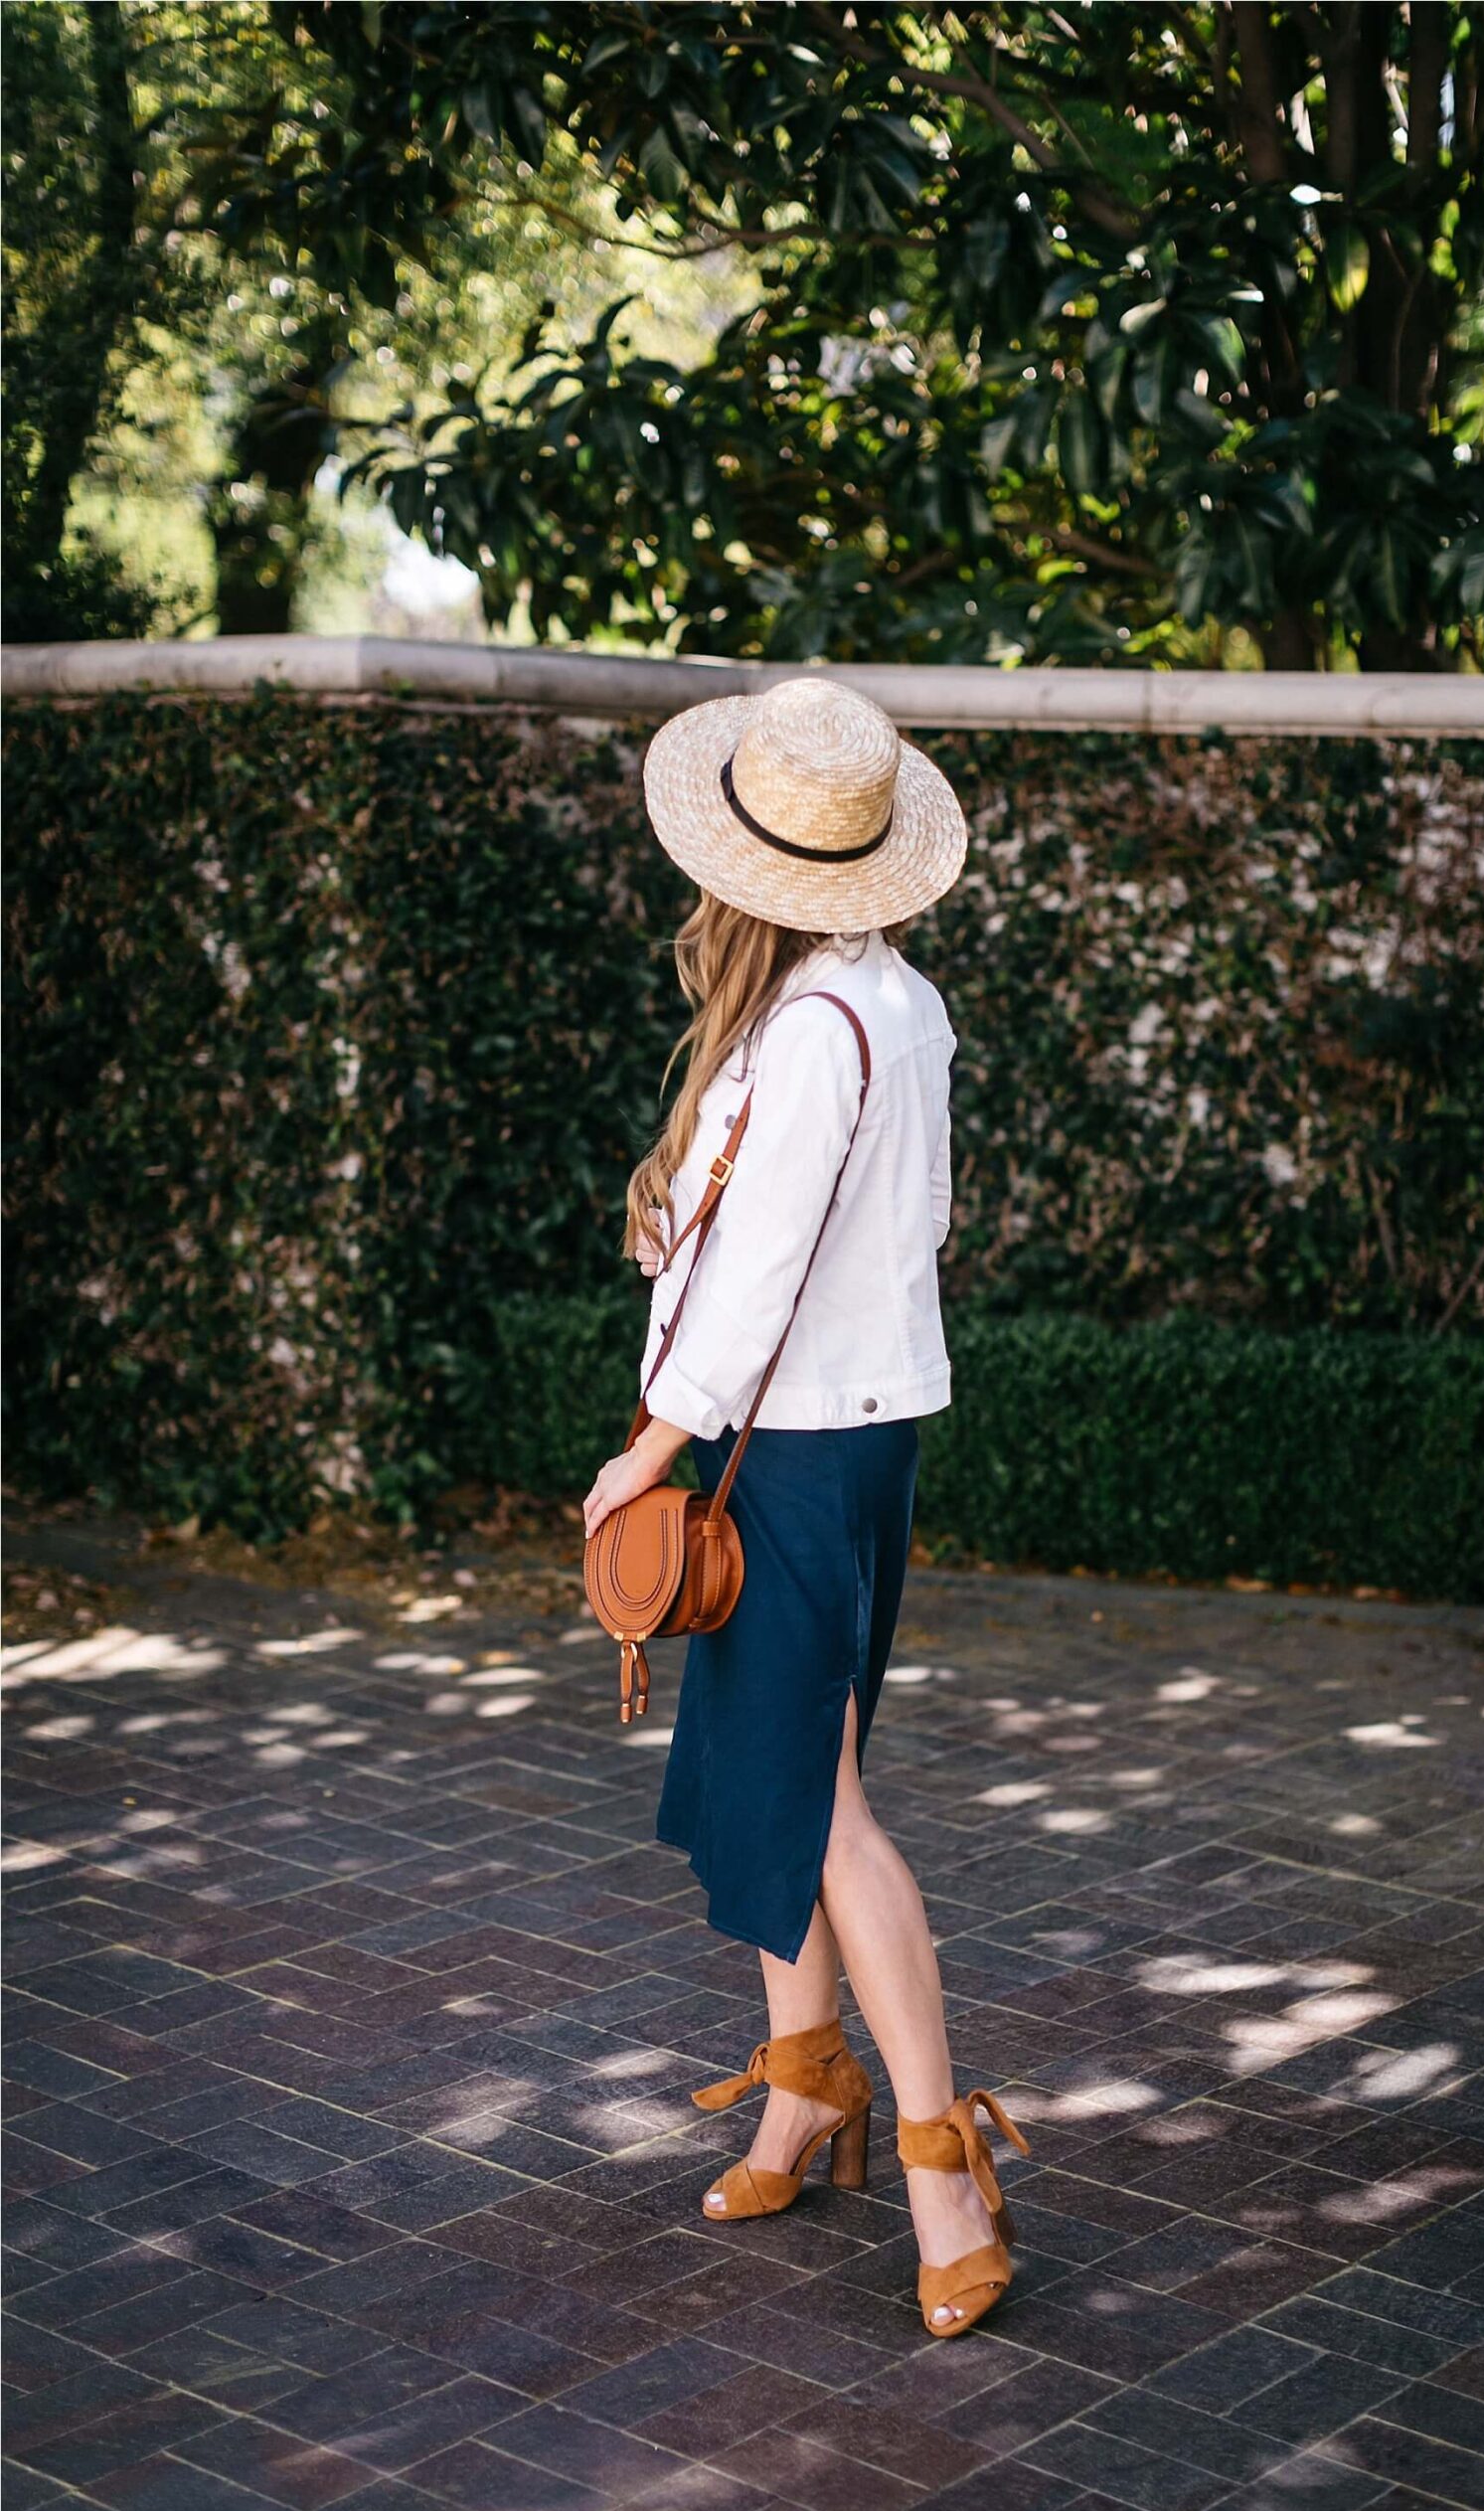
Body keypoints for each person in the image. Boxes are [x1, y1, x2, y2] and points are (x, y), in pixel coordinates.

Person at [581, 676, 1028, 2337]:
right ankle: (803, 2091)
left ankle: (939, 2171)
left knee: (827, 1807)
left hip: (794, 1451)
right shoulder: (890, 1004)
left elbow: (770, 1271)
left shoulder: (816, 1028)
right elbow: (897, 1228)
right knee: (789, 1781)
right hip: (855, 1433)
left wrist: (650, 1452)